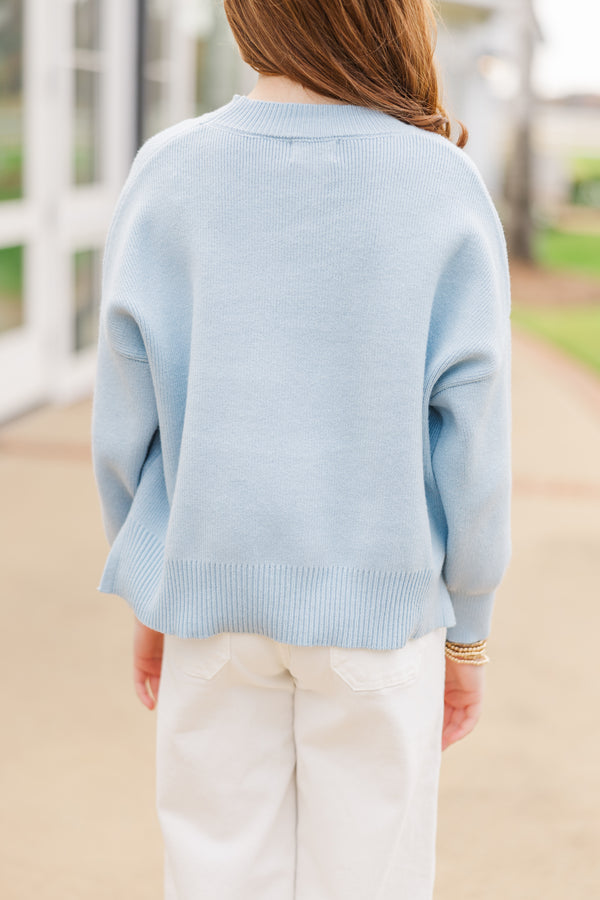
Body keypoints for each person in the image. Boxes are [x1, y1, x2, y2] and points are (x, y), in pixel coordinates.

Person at [91, 1, 512, 897]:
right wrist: (466, 635)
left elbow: (127, 423)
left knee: (212, 876)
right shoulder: (439, 181)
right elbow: (472, 444)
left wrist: (155, 581)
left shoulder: (170, 170)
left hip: (212, 611)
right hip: (380, 617)